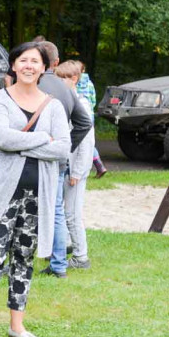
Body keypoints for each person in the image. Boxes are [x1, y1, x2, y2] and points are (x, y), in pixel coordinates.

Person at [0, 42, 70, 337]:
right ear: (13, 65)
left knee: (24, 258)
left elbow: (63, 148)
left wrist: (20, 145)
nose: (29, 66)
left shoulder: (53, 106)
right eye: (23, 60)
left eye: (35, 61)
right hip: (1, 194)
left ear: (44, 68)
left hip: (37, 194)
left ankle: (17, 326)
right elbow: (0, 137)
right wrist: (42, 138)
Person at [34, 39, 92, 279]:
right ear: (56, 62)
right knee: (57, 211)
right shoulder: (65, 88)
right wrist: (65, 146)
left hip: (32, 157)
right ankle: (59, 265)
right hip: (57, 160)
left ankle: (20, 259)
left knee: (26, 208)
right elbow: (85, 123)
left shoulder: (32, 84)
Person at [56, 61, 94, 270]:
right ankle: (66, 246)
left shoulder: (82, 104)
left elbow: (86, 143)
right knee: (63, 211)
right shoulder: (66, 101)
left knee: (72, 213)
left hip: (75, 169)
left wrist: (77, 172)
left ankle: (81, 257)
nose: (59, 82)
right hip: (67, 166)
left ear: (74, 79)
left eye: (62, 78)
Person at [73, 60, 106, 178]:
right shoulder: (90, 83)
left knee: (80, 141)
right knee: (88, 141)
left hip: (77, 115)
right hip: (89, 114)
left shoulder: (73, 82)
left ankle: (97, 165)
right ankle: (99, 165)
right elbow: (93, 100)